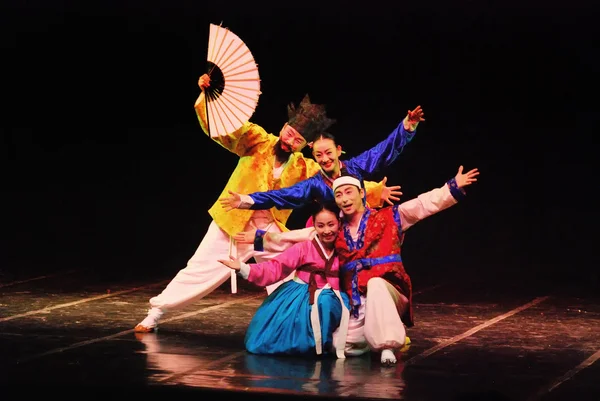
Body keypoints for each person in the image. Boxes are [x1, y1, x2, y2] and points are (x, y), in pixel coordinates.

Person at [134, 74, 390, 333]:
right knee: (200, 269)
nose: (289, 141)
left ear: (306, 145)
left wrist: (376, 191)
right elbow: (224, 128)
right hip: (232, 223)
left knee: (290, 276)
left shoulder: (305, 167)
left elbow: (335, 180)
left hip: (269, 230)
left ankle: (295, 326)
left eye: (297, 140)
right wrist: (207, 97)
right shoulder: (256, 141)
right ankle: (156, 311)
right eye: (289, 134)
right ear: (283, 128)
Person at [241, 165, 479, 365]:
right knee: (340, 347)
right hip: (356, 303)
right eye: (339, 195)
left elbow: (421, 205)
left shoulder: (389, 217)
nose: (344, 199)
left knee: (376, 283)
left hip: (388, 293)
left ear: (362, 193)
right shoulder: (336, 229)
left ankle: (388, 344)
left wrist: (452, 187)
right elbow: (297, 236)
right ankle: (371, 335)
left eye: (349, 192)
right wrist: (260, 238)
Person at [219, 107, 425, 220]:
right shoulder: (314, 182)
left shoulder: (352, 167)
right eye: (319, 156)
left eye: (328, 153)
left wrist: (407, 127)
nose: (325, 159)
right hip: (331, 232)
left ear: (338, 151)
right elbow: (281, 196)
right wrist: (246, 200)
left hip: (359, 227)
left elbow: (382, 152)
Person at [218, 202, 351, 358]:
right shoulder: (304, 247)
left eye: (331, 225)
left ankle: (323, 343)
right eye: (320, 226)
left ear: (339, 223)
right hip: (302, 294)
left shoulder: (345, 247)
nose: (326, 230)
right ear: (313, 226)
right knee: (276, 336)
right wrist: (243, 267)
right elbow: (277, 265)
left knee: (327, 303)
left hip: (332, 295)